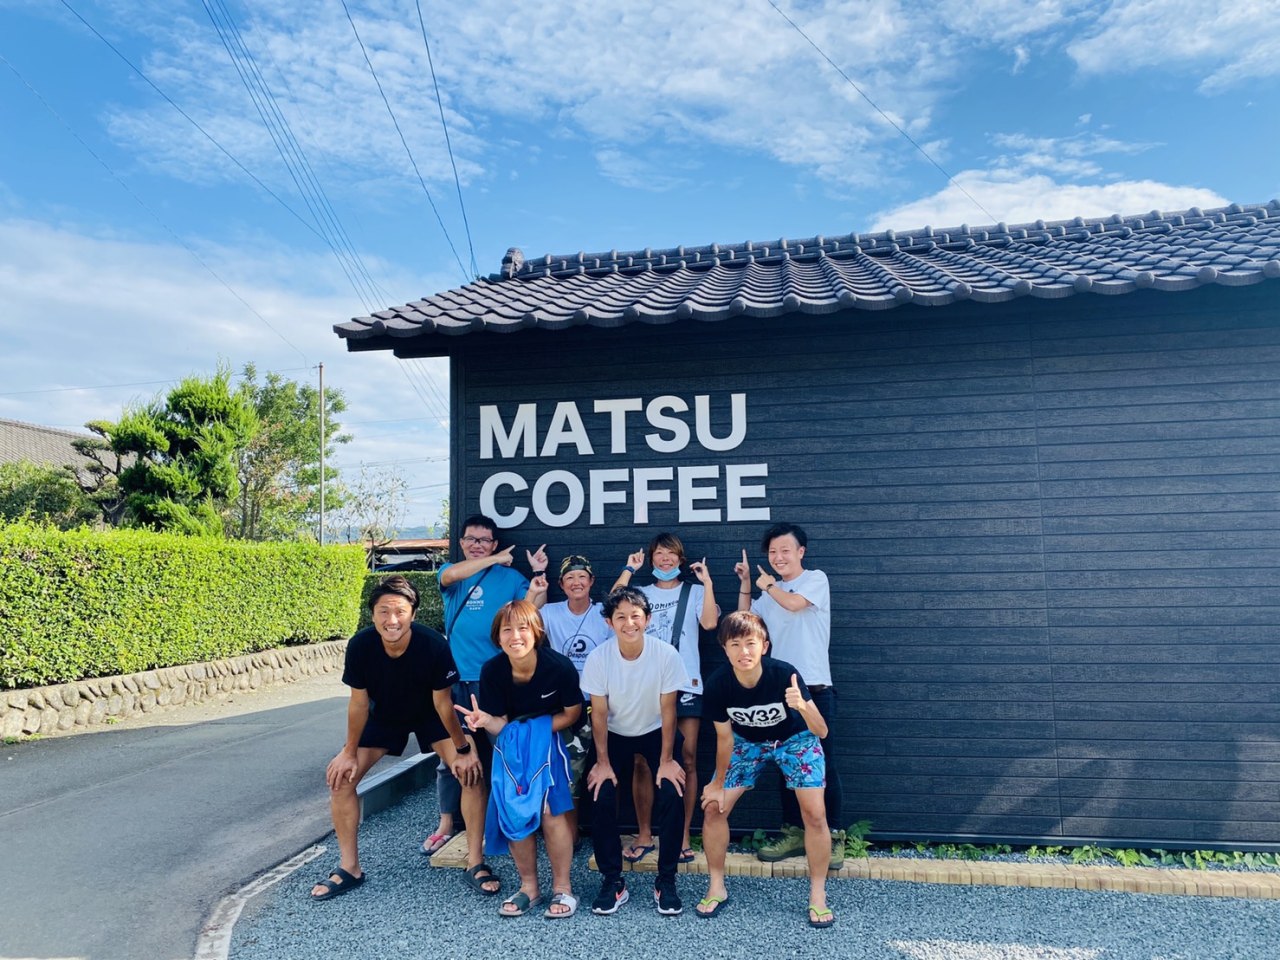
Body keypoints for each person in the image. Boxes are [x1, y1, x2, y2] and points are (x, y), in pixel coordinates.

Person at [310, 576, 489, 901]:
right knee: (341, 780)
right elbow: (358, 703)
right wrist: (348, 751)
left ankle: (475, 862)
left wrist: (463, 749)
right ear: (372, 614)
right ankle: (350, 867)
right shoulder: (361, 646)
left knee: (470, 773)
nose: (392, 620)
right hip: (385, 715)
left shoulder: (433, 644)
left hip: (431, 714)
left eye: (400, 612)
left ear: (413, 614)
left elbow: (442, 704)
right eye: (384, 611)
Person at [697, 611, 834, 927]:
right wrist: (718, 783)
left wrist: (802, 705)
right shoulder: (718, 684)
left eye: (750, 643)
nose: (743, 651)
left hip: (795, 740)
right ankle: (716, 886)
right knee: (714, 808)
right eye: (735, 644)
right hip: (747, 743)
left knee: (815, 814)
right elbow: (724, 738)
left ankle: (818, 894)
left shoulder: (784, 674)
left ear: (764, 646)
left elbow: (822, 731)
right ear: (725, 649)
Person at [424, 514, 547, 864]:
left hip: (493, 681)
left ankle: (512, 823)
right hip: (455, 680)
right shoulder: (453, 573)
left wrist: (537, 583)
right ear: (462, 543)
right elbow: (448, 576)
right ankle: (447, 822)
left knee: (505, 753)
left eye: (485, 541)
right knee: (453, 755)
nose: (477, 545)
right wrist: (493, 558)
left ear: (494, 542)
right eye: (471, 539)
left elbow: (530, 611)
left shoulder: (511, 578)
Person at [455, 600, 583, 918]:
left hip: (550, 739)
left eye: (523, 628)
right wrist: (485, 721)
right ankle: (529, 887)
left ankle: (563, 888)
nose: (515, 636)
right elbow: (500, 724)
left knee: (551, 811)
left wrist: (534, 732)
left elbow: (572, 713)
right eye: (507, 630)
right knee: (516, 812)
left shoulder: (558, 667)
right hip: (511, 744)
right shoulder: (493, 670)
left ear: (536, 631)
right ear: (497, 637)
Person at [735, 521, 845, 867]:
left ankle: (833, 835)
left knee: (823, 765)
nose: (778, 556)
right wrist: (747, 584)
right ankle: (794, 832)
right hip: (779, 692)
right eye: (772, 551)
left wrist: (768, 584)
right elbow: (744, 619)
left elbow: (795, 604)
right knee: (787, 763)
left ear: (801, 551)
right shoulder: (768, 594)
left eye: (785, 550)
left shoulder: (815, 580)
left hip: (814, 689)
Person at [581, 587, 688, 916]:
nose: (629, 623)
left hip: (656, 732)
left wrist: (666, 760)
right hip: (614, 734)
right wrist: (602, 762)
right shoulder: (599, 657)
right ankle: (613, 881)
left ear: (648, 619)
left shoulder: (665, 654)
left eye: (636, 616)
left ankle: (666, 880)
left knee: (672, 792)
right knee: (601, 795)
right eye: (621, 617)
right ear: (609, 622)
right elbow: (599, 714)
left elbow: (669, 710)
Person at [611, 534, 717, 864]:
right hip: (646, 683)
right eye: (659, 553)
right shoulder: (642, 593)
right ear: (652, 558)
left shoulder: (694, 591)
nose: (665, 558)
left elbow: (710, 623)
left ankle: (681, 834)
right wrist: (629, 569)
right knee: (643, 760)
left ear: (681, 559)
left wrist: (708, 582)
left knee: (687, 758)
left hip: (686, 683)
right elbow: (612, 605)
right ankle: (645, 833)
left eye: (672, 553)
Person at [538, 554, 612, 838]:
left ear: (591, 581)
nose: (576, 582)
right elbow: (522, 620)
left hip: (601, 701)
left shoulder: (605, 612)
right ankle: (568, 833)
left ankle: (600, 831)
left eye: (582, 576)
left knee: (605, 764)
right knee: (570, 769)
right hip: (565, 702)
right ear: (561, 584)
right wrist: (537, 579)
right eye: (570, 577)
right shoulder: (550, 612)